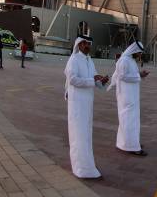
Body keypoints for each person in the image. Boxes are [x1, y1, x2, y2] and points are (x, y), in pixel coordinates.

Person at [64, 35, 108, 179]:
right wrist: (92, 81)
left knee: (86, 136)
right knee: (79, 136)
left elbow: (94, 78)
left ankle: (88, 165)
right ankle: (81, 169)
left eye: (89, 43)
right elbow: (72, 80)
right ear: (79, 45)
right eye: (85, 44)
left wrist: (102, 80)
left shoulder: (90, 60)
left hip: (87, 105)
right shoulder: (74, 60)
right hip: (77, 105)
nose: (87, 46)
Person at [107, 41, 149, 156]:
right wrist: (139, 75)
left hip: (131, 95)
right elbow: (122, 76)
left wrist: (140, 74)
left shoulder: (130, 60)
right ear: (135, 51)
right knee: (129, 120)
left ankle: (130, 143)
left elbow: (130, 75)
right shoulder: (124, 60)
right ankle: (132, 146)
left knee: (131, 120)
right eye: (139, 53)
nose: (140, 55)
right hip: (126, 97)